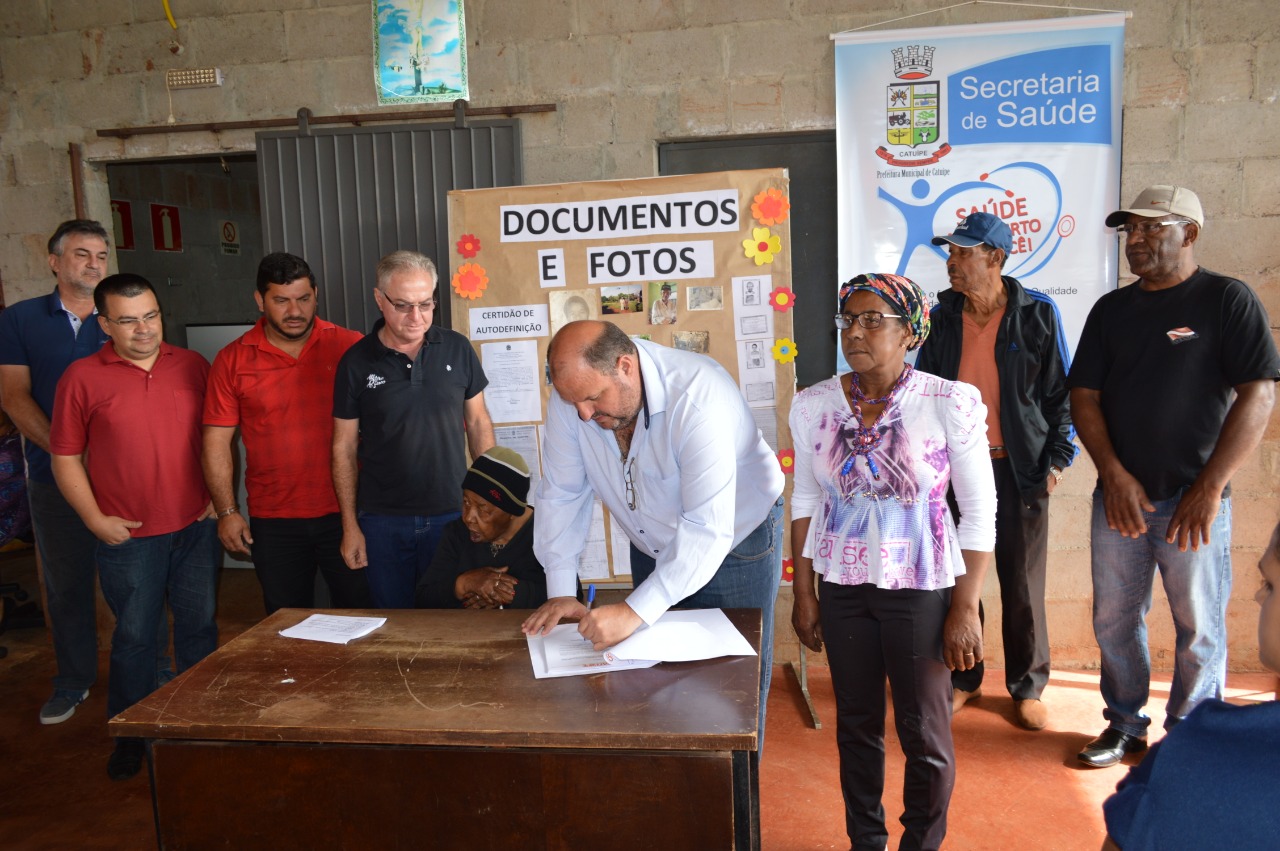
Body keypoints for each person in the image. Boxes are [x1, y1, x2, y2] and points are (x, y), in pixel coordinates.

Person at [1069, 185, 1279, 768]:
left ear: (1189, 233)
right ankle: (1125, 724)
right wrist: (1112, 474)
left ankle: (1190, 740)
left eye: (1150, 229)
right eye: (1129, 231)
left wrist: (1209, 487)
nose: (1135, 241)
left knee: (1199, 626)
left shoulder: (1225, 300)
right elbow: (1083, 395)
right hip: (1120, 502)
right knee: (1113, 618)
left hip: (1194, 500)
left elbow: (1258, 393)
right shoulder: (1112, 311)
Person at [790, 273, 995, 851]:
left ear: (910, 332)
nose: (856, 332)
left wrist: (965, 607)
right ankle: (867, 842)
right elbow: (805, 499)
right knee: (856, 727)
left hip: (921, 585)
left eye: (872, 320)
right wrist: (806, 594)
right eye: (848, 320)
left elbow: (979, 513)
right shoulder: (814, 406)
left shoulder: (948, 402)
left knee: (924, 731)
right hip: (843, 585)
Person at [522, 320, 785, 741]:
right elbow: (561, 493)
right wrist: (561, 589)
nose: (584, 415)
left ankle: (737, 800)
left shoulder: (699, 396)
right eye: (574, 403)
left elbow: (705, 528)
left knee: (732, 691)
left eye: (592, 399)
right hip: (651, 538)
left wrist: (633, 611)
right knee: (656, 684)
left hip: (735, 539)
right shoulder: (573, 397)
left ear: (625, 366)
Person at [49, 273, 219, 781]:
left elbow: (215, 439)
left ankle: (199, 723)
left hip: (194, 528)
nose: (144, 329)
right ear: (103, 324)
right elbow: (65, 459)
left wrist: (217, 499)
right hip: (129, 538)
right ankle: (131, 733)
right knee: (136, 639)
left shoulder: (192, 366)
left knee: (199, 630)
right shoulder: (81, 378)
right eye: (127, 320)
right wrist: (95, 520)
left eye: (151, 315)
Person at [916, 211, 1076, 730]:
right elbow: (921, 392)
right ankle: (964, 679)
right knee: (958, 580)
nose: (952, 262)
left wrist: (1056, 463)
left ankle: (1027, 687)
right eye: (951, 253)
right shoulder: (941, 318)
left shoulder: (1037, 315)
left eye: (963, 253)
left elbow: (1060, 396)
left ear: (996, 258)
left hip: (1019, 469)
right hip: (955, 471)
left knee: (1022, 583)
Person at [203, 253, 372, 614]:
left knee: (362, 616)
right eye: (281, 300)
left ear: (316, 294)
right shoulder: (232, 360)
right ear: (260, 300)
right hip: (275, 520)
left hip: (348, 513)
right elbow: (217, 442)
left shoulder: (350, 347)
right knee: (285, 625)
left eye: (303, 298)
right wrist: (227, 510)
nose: (294, 311)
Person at [1100, 520, 1280, 850]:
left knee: (1197, 627)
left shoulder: (1200, 754)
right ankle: (1126, 724)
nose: (1257, 595)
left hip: (1194, 493)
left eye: (1269, 585)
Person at [332, 250, 495, 608]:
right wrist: (350, 526)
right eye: (403, 305)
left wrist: (490, 503)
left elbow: (479, 423)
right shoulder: (356, 363)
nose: (416, 317)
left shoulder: (457, 349)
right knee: (394, 624)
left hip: (453, 515)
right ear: (379, 299)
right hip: (382, 522)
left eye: (426, 304)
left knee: (450, 620)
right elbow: (343, 447)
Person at [0, 219, 112, 725]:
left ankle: (147, 673)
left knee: (136, 579)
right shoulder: (20, 320)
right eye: (82, 254)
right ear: (54, 262)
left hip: (120, 478)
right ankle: (73, 681)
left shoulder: (120, 316)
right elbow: (13, 397)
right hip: (52, 479)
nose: (93, 264)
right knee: (66, 585)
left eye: (101, 256)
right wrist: (68, 455)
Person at [415, 446, 548, 610]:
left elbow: (570, 596)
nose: (469, 518)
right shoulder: (456, 532)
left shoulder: (544, 534)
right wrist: (463, 584)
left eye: (482, 509)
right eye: (466, 502)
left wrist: (505, 593)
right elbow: (424, 598)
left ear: (512, 512)